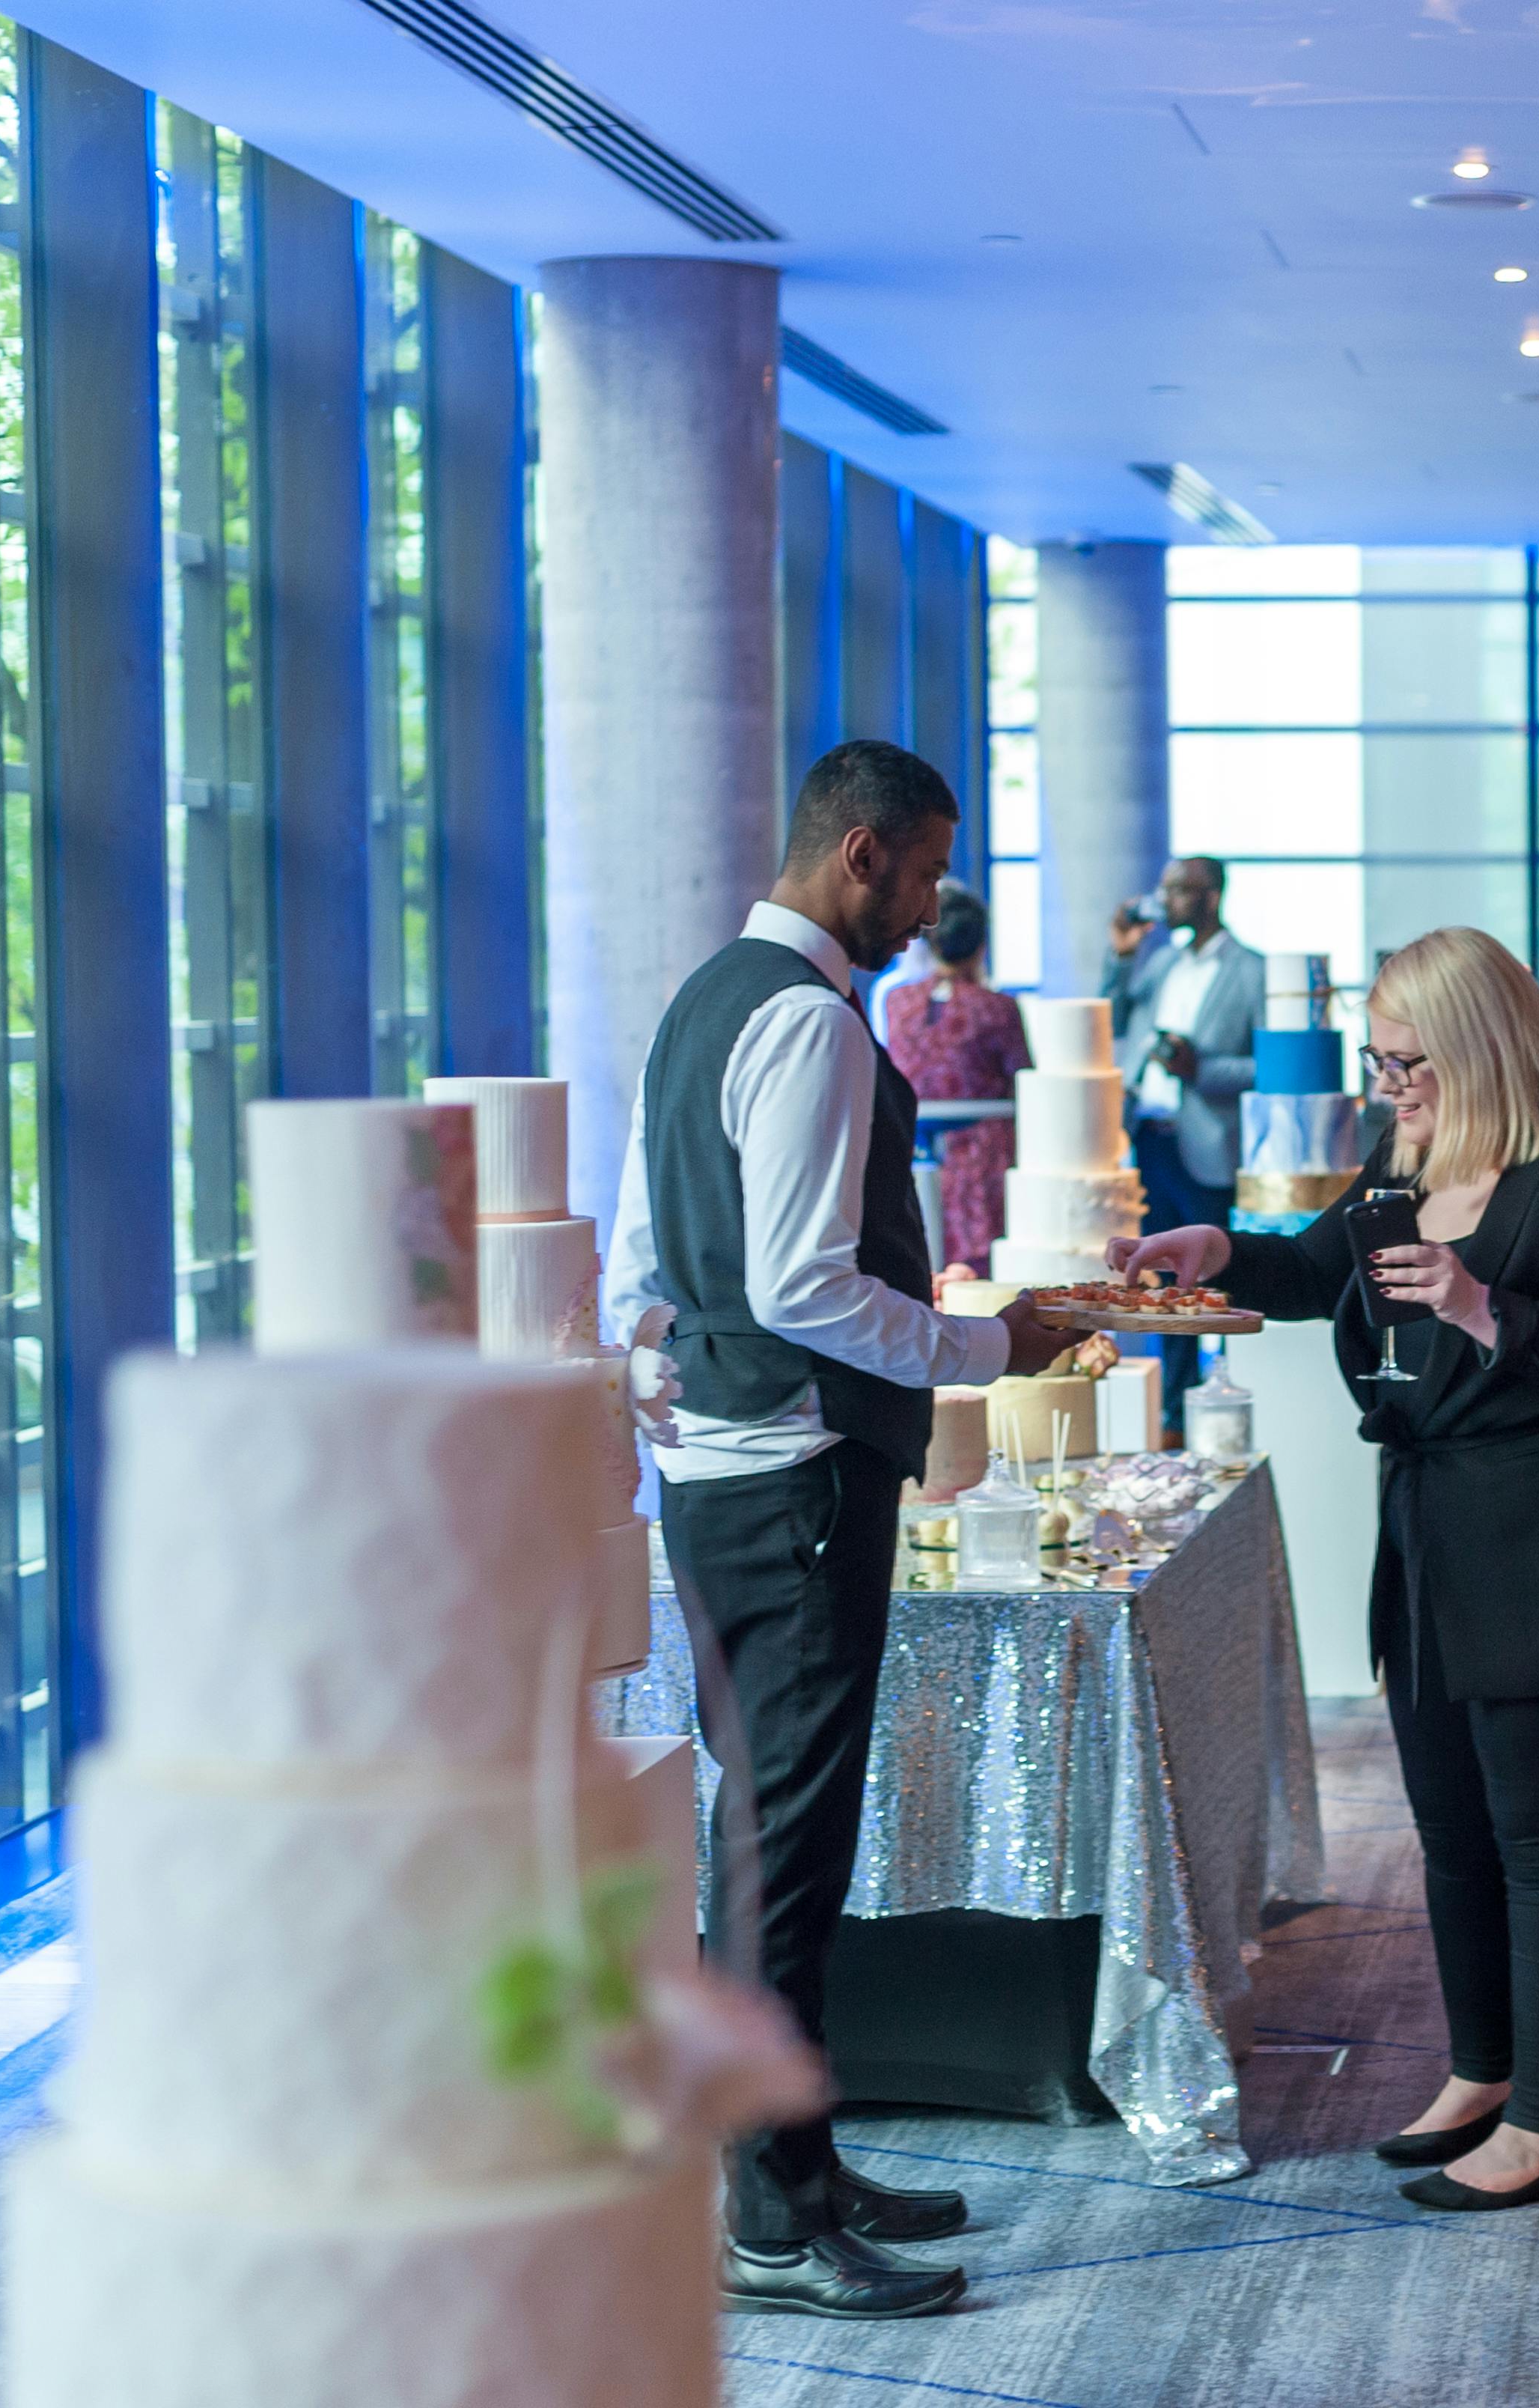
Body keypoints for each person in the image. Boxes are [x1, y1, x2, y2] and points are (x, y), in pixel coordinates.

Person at [606, 740, 1082, 2318]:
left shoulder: (701, 999)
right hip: (803, 1478)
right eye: (932, 869)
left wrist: (651, 1356)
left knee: (770, 1836)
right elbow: (808, 1286)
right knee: (782, 1858)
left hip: (720, 1476)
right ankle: (766, 2217)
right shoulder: (810, 1020)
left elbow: (640, 1255)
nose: (935, 903)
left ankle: (799, 2163)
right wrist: (990, 1347)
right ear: (863, 853)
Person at [1116, 926, 1539, 2213]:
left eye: (1403, 1061)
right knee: (1452, 1833)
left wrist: (1482, 1303)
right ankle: (1483, 2071)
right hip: (1436, 1539)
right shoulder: (1405, 1158)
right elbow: (1320, 1270)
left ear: (1476, 1044)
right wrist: (1220, 1256)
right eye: (1379, 1063)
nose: (1387, 1085)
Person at [1106, 855, 1265, 1426]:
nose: (1165, 898)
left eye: (1179, 889)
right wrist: (1121, 954)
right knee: (1162, 1280)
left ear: (1211, 895)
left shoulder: (1251, 970)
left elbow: (1267, 1068)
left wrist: (1201, 1069)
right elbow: (1114, 1016)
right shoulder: (1160, 963)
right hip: (1150, 1136)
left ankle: (1221, 1401)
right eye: (1165, 886)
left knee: (1212, 1277)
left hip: (1208, 1146)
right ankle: (1173, 1408)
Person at [878, 879, 1028, 1274]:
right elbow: (1025, 1079)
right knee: (980, 1276)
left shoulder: (899, 1002)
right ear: (982, 945)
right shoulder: (996, 1008)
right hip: (983, 1156)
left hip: (913, 1146)